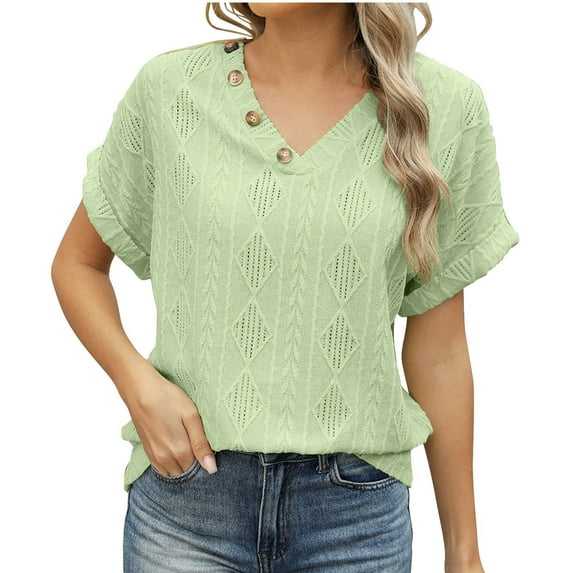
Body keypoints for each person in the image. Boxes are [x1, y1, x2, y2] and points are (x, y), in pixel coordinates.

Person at [51, 3, 519, 572]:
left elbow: (439, 351)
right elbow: (78, 263)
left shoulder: (441, 106)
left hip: (357, 521)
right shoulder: (170, 92)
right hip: (187, 506)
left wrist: (464, 553)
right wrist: (138, 385)